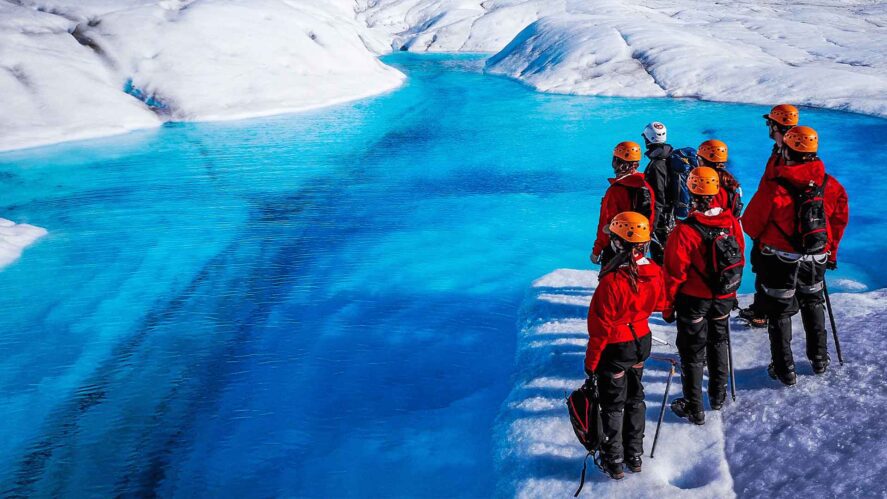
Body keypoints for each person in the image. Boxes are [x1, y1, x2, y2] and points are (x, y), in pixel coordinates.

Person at [742, 126, 849, 385]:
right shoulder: (830, 185)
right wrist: (830, 253)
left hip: (778, 261)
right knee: (813, 304)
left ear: (787, 150)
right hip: (816, 258)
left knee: (779, 313)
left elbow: (750, 224)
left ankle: (784, 369)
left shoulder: (775, 187)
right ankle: (820, 360)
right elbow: (838, 221)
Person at [585, 211, 666, 479]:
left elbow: (600, 330)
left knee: (612, 404)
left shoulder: (611, 281)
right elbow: (660, 304)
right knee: (636, 398)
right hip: (642, 342)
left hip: (617, 347)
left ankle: (615, 462)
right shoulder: (654, 271)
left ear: (618, 243)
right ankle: (635, 456)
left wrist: (591, 363)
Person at [662, 167, 745, 424]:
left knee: (692, 353)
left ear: (692, 194)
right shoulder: (731, 223)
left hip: (693, 300)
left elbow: (673, 274)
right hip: (723, 297)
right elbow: (739, 254)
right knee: (719, 343)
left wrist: (668, 307)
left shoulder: (684, 232)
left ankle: (694, 408)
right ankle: (718, 397)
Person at [739, 104, 800, 328]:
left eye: (769, 123)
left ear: (776, 125)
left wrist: (755, 225)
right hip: (775, 225)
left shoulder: (787, 156)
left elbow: (774, 195)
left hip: (776, 227)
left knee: (767, 270)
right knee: (762, 268)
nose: (768, 126)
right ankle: (761, 308)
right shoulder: (785, 152)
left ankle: (765, 312)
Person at [591, 142, 656, 267]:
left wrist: (597, 250)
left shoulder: (615, 191)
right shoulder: (646, 184)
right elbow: (651, 216)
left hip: (616, 247)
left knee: (611, 281)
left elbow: (605, 223)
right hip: (640, 245)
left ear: (617, 162)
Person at [641, 122, 674, 263]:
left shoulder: (657, 165)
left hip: (662, 221)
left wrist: (651, 226)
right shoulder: (670, 156)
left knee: (661, 260)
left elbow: (658, 198)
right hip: (671, 218)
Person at [697, 139, 742, 216]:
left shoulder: (706, 186)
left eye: (698, 159)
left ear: (702, 161)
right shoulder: (730, 181)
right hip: (729, 225)